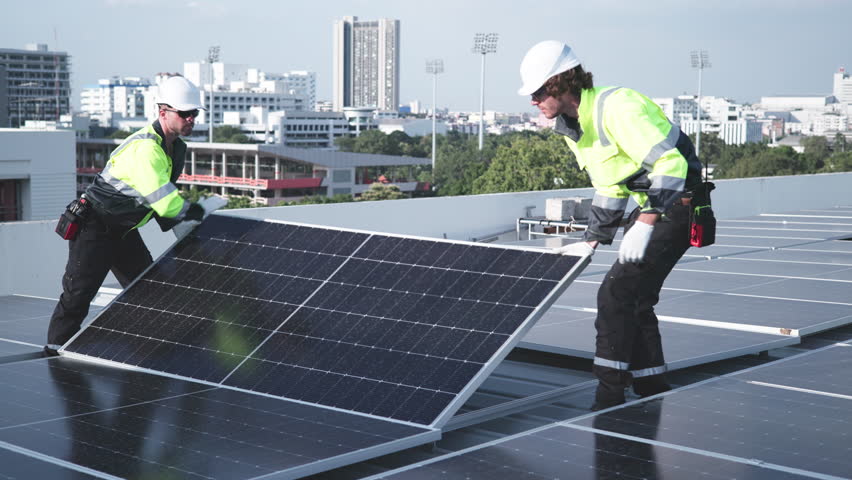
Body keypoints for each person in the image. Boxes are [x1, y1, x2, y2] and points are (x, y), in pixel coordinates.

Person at [518, 41, 704, 409]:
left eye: (538, 91)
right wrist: (592, 240)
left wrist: (647, 221)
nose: (533, 100)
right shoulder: (573, 127)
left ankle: (609, 395)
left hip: (679, 204)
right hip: (650, 206)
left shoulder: (617, 107)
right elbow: (609, 185)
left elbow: (671, 165)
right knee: (635, 297)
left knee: (615, 294)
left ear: (558, 83)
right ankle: (651, 386)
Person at [45, 75, 224, 356]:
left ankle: (146, 349)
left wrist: (185, 230)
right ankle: (54, 351)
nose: (192, 119)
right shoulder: (146, 149)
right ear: (163, 112)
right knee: (79, 294)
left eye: (194, 113)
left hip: (124, 230)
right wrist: (200, 210)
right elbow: (165, 203)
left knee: (147, 288)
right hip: (95, 226)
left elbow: (160, 196)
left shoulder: (176, 148)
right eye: (185, 113)